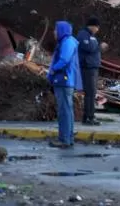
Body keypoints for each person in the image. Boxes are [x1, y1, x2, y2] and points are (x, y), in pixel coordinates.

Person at [47, 21, 80, 149]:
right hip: (66, 80)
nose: (54, 32)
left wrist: (53, 69)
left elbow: (64, 60)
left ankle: (64, 139)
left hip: (64, 80)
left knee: (64, 111)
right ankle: (68, 137)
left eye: (56, 30)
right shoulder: (69, 41)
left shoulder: (67, 42)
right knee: (67, 110)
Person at [76, 17, 106, 126]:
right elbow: (89, 48)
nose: (97, 29)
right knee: (90, 93)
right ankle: (89, 117)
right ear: (91, 26)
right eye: (96, 27)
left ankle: (87, 116)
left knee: (91, 93)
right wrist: (99, 46)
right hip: (87, 67)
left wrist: (98, 47)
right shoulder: (83, 35)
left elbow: (93, 47)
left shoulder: (92, 36)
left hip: (93, 67)